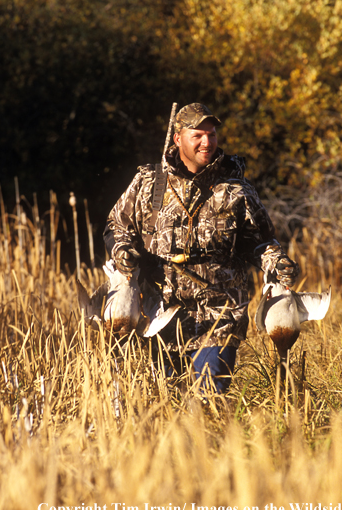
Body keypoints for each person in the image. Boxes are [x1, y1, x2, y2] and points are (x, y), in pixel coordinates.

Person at [103, 103, 299, 393]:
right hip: (158, 314)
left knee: (209, 398)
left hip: (220, 313)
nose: (207, 142)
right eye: (198, 135)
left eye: (212, 134)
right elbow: (116, 226)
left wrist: (277, 261)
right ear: (177, 138)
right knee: (167, 401)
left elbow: (260, 241)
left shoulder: (235, 189)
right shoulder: (149, 183)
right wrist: (122, 251)